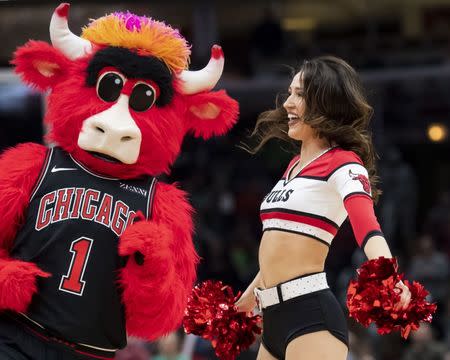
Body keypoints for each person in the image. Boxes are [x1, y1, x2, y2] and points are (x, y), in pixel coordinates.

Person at [235, 56, 411, 360]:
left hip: (310, 316)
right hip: (273, 319)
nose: (288, 103)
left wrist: (388, 275)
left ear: (324, 103)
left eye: (300, 94)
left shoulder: (343, 163)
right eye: (290, 92)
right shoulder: (292, 167)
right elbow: (279, 251)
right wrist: (243, 304)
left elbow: (367, 226)